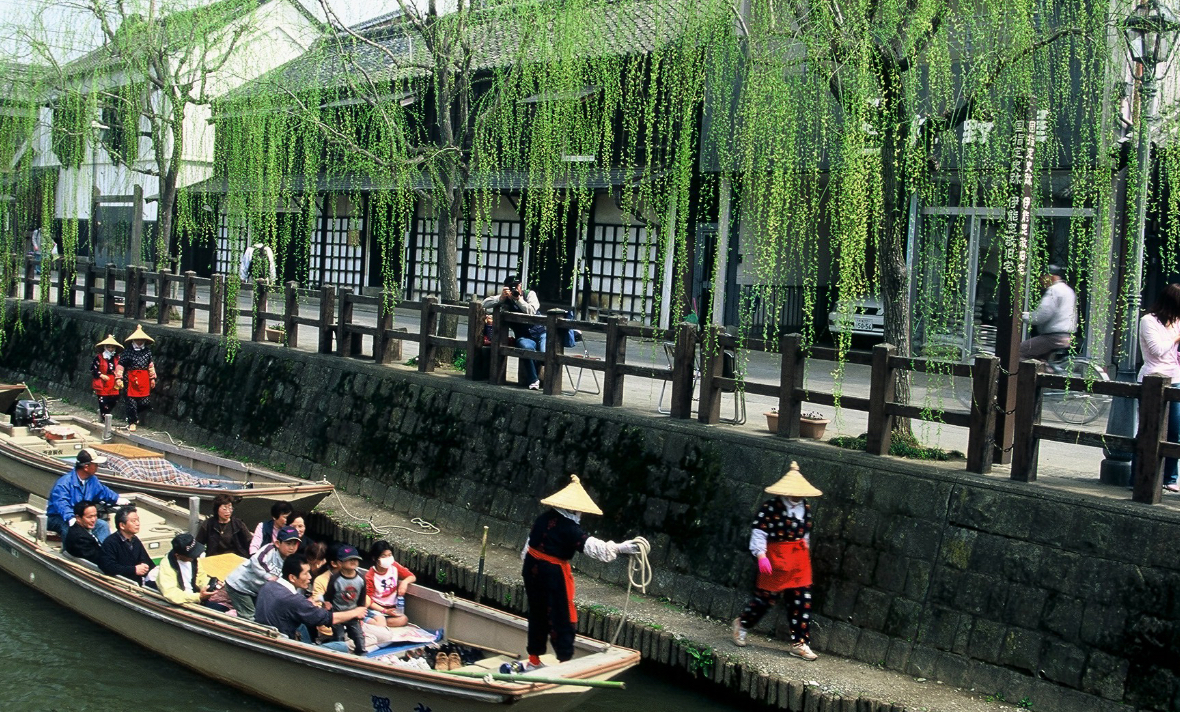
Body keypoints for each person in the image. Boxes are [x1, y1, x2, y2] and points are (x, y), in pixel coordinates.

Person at [520, 475, 641, 669]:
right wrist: (621, 548)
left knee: (538, 613)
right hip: (552, 574)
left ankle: (534, 660)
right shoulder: (569, 528)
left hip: (531, 569)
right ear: (573, 509)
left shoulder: (543, 518)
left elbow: (528, 545)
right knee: (562, 616)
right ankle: (564, 661)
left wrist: (528, 565)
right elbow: (593, 547)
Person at [733, 462, 822, 660]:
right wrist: (761, 555)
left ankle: (800, 642)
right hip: (776, 559)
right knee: (765, 599)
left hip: (799, 561)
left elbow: (805, 534)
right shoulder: (771, 507)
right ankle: (743, 624)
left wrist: (805, 552)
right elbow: (759, 532)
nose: (798, 496)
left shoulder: (805, 507)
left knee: (802, 601)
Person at [254, 554, 366, 646]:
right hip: (283, 645)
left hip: (265, 637)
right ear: (292, 577)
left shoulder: (268, 586)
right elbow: (328, 618)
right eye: (305, 573)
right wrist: (356, 612)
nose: (310, 577)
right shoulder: (294, 600)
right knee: (341, 646)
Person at [1138, 284, 1180, 493]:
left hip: (1175, 379)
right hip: (1152, 378)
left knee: (1174, 431)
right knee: (1148, 430)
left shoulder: (1177, 322)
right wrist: (1176, 338)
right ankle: (1138, 477)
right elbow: (1157, 351)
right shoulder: (1148, 321)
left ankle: (1170, 477)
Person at [224, 525, 302, 620]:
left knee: (261, 615)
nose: (291, 547)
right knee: (249, 616)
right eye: (288, 543)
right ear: (277, 543)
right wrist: (268, 576)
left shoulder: (290, 561)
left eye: (294, 544)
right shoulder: (269, 549)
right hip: (239, 585)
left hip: (254, 591)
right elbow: (256, 561)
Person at [482, 274, 545, 389]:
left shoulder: (529, 294)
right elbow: (484, 304)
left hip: (541, 333)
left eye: (517, 286)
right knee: (526, 349)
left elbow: (532, 311)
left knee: (545, 353)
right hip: (523, 335)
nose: (515, 289)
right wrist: (500, 298)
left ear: (521, 285)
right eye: (512, 287)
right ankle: (534, 380)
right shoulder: (505, 299)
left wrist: (519, 299)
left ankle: (547, 382)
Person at [47, 448, 123, 542]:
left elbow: (103, 492)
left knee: (102, 525)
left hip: (82, 517)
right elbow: (61, 503)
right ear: (86, 467)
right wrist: (71, 518)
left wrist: (116, 499)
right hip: (58, 517)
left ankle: (106, 552)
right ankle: (69, 553)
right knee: (69, 528)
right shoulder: (64, 483)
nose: (97, 467)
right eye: (95, 465)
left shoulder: (92, 480)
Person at [1019, 264, 1077, 360]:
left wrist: (1020, 316)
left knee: (1018, 351)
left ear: (1051, 276)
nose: (1040, 280)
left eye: (1043, 277)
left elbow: (1042, 315)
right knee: (1041, 360)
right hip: (1066, 337)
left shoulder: (1054, 290)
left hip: (1053, 338)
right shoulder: (1068, 290)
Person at [157, 532, 224, 608]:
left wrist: (210, 586)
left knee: (223, 608)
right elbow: (171, 593)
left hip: (198, 597)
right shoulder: (166, 565)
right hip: (182, 601)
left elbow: (201, 577)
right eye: (192, 554)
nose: (196, 555)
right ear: (178, 555)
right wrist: (198, 597)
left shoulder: (198, 557)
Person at [324, 545, 369, 655]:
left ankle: (361, 655)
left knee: (359, 637)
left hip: (353, 613)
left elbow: (362, 598)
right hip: (338, 613)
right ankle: (337, 655)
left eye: (355, 559)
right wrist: (328, 608)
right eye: (349, 560)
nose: (353, 562)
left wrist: (361, 612)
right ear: (340, 563)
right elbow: (329, 596)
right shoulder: (335, 579)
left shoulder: (361, 579)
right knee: (339, 638)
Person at [114, 324, 157, 432]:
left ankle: (134, 415)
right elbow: (121, 365)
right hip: (130, 379)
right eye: (137, 339)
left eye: (141, 340)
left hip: (144, 378)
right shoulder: (127, 352)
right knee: (131, 402)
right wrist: (118, 377)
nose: (139, 341)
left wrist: (152, 378)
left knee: (145, 402)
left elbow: (150, 365)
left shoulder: (147, 351)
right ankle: (132, 421)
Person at [364, 540, 416, 628]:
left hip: (391, 608)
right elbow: (369, 601)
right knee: (381, 622)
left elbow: (412, 576)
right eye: (384, 556)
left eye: (390, 555)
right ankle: (369, 620)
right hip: (376, 608)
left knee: (403, 619)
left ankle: (379, 623)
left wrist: (404, 582)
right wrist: (384, 611)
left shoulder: (394, 566)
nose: (388, 558)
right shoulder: (370, 575)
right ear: (375, 558)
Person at [98, 505, 154, 586]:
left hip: (137, 582)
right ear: (122, 525)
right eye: (133, 521)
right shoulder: (110, 543)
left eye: (138, 520)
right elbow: (108, 566)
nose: (138, 524)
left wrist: (145, 566)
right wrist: (134, 570)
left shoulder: (135, 540)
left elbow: (145, 559)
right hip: (121, 584)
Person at [195, 493, 251, 557]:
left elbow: (249, 540)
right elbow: (198, 543)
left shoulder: (237, 523)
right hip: (214, 557)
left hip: (234, 556)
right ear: (217, 509)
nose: (228, 511)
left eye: (230, 508)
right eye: (224, 509)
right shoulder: (208, 524)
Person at [91, 335, 123, 420]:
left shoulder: (117, 358)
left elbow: (120, 368)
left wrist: (119, 378)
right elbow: (93, 369)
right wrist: (101, 375)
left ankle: (105, 413)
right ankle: (104, 416)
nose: (111, 349)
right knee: (103, 400)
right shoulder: (99, 357)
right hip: (103, 381)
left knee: (114, 399)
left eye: (112, 347)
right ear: (105, 347)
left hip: (113, 380)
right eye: (108, 347)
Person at [63, 500, 104, 565]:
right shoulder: (80, 538)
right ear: (78, 518)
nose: (93, 520)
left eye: (95, 516)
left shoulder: (79, 531)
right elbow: (98, 559)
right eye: (89, 517)